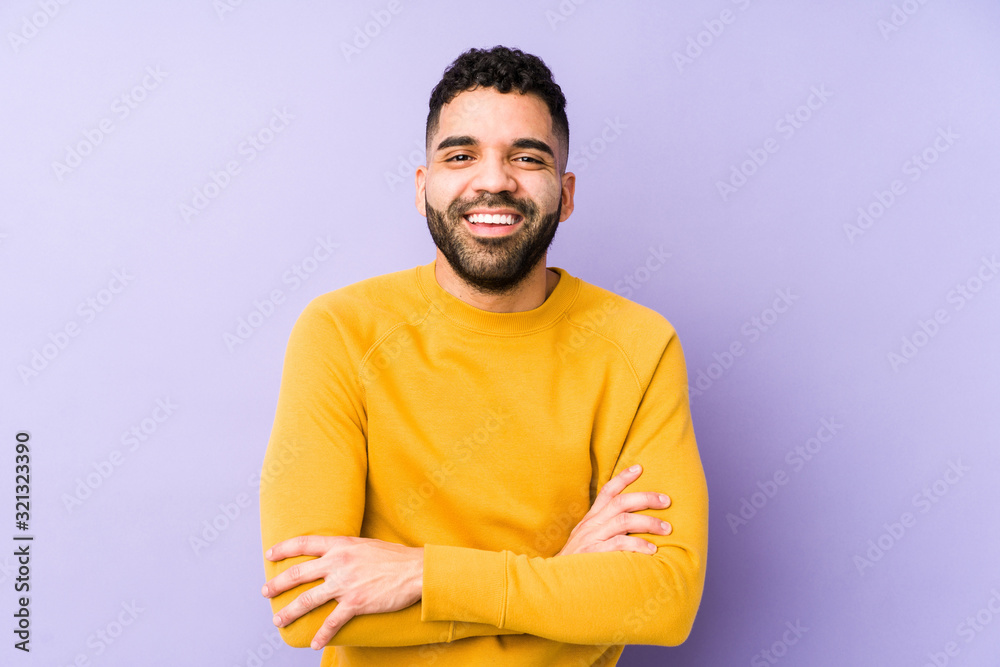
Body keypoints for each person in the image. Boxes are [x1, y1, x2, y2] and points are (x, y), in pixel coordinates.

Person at [259, 45, 708, 667]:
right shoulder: (341, 331)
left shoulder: (639, 345)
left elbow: (663, 601)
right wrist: (560, 582)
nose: (494, 181)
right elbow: (307, 603)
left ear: (565, 194)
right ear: (424, 188)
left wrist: (422, 575)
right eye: (461, 155)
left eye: (527, 157)